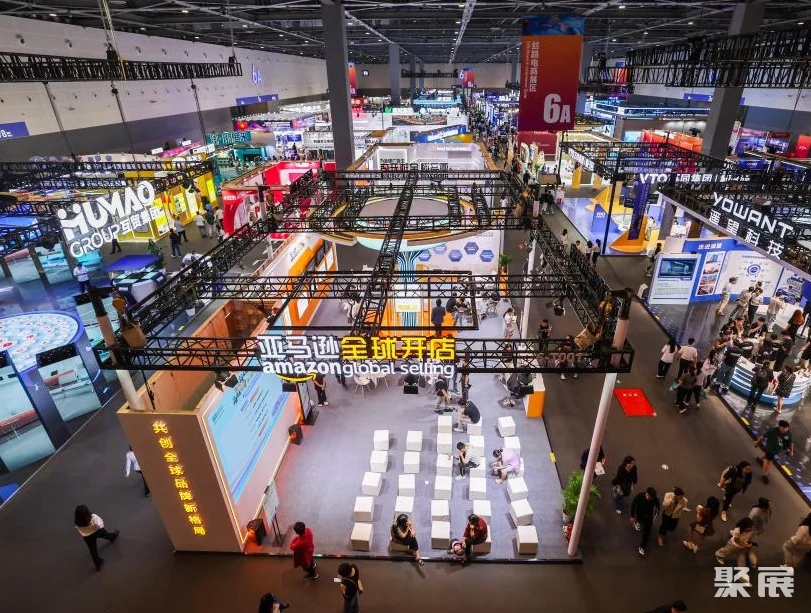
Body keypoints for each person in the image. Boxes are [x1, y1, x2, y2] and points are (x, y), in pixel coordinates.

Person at [74, 504, 119, 570]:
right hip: (97, 531)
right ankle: (112, 537)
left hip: (87, 536)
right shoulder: (93, 517)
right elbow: (100, 524)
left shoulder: (78, 523)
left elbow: (80, 530)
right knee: (106, 534)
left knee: (92, 550)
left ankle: (97, 563)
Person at [630, 486, 660, 556]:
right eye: (648, 496)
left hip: (649, 517)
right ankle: (638, 523)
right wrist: (632, 516)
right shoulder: (639, 496)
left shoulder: (655, 499)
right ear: (646, 493)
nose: (649, 498)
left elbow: (658, 508)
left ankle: (642, 547)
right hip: (639, 514)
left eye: (651, 497)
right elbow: (633, 505)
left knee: (647, 532)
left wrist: (654, 517)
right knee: (639, 520)